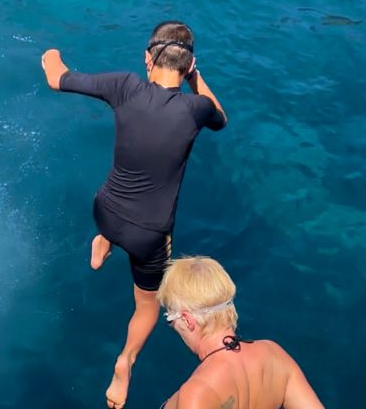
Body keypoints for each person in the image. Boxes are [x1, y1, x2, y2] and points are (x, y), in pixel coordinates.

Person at [40, 21, 227, 409]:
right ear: (189, 64)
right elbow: (220, 117)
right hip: (148, 235)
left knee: (114, 212)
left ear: (147, 57)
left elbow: (57, 78)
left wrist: (51, 54)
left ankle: (101, 247)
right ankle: (124, 364)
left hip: (104, 211)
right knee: (147, 305)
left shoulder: (124, 87)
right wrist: (196, 78)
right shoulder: (196, 109)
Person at [158, 256, 324, 409]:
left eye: (169, 319)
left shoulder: (197, 392)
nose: (172, 326)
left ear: (187, 320)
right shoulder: (274, 355)